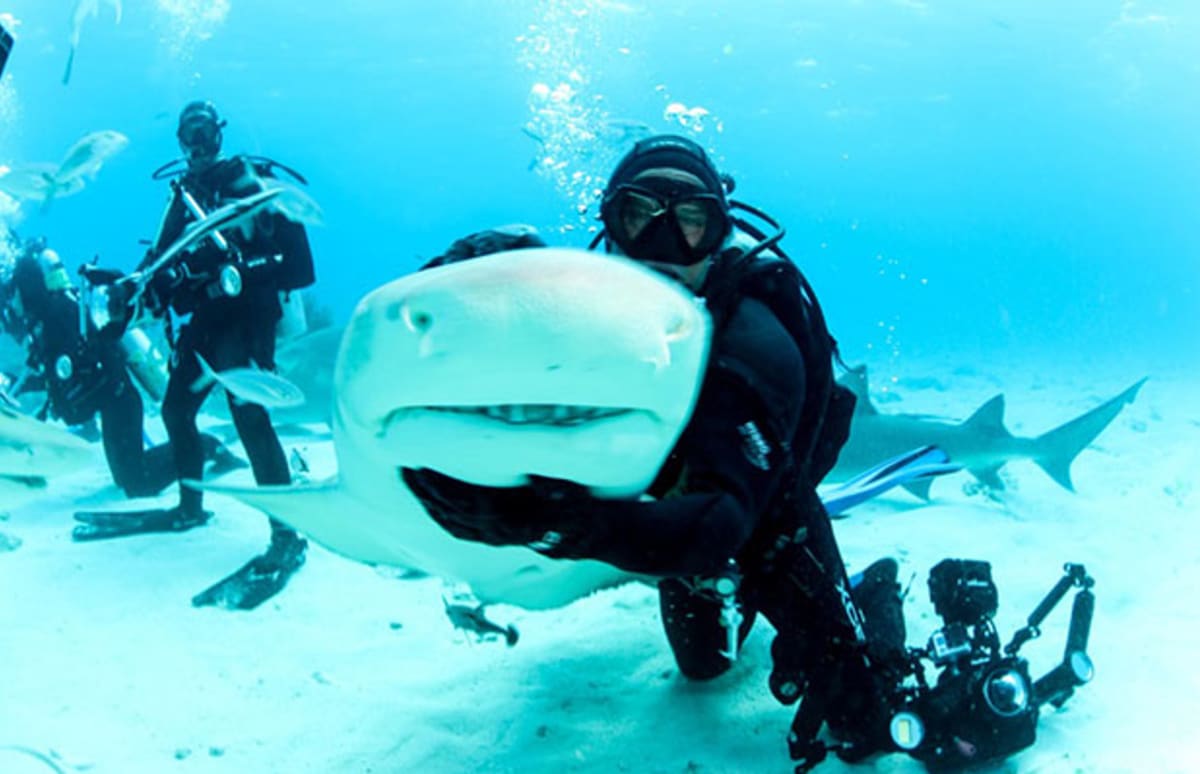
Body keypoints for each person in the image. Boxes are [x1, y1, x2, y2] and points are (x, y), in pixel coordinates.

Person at [401, 135, 908, 767]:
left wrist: (545, 521)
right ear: (608, 227)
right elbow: (438, 339)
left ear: (718, 235)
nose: (665, 248)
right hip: (662, 503)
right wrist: (460, 273)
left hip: (762, 513)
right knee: (702, 670)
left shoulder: (753, 339)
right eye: (638, 216)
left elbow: (721, 522)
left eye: (692, 222)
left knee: (866, 721)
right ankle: (713, 589)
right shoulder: (575, 309)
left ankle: (874, 591)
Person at [131, 100, 316, 609]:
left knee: (249, 416)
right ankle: (191, 507)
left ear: (219, 135)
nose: (197, 145)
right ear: (180, 142)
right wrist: (148, 286)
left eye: (206, 133)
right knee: (174, 409)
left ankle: (287, 536)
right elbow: (158, 264)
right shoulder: (182, 196)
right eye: (189, 136)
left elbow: (294, 265)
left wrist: (234, 270)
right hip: (208, 321)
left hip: (249, 317)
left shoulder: (248, 183)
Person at [0, 238, 242, 497]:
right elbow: (57, 373)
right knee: (127, 478)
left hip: (119, 400)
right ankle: (198, 446)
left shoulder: (60, 316)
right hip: (112, 402)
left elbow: (89, 360)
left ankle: (205, 445)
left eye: (13, 293)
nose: (12, 304)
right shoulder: (51, 321)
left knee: (137, 482)